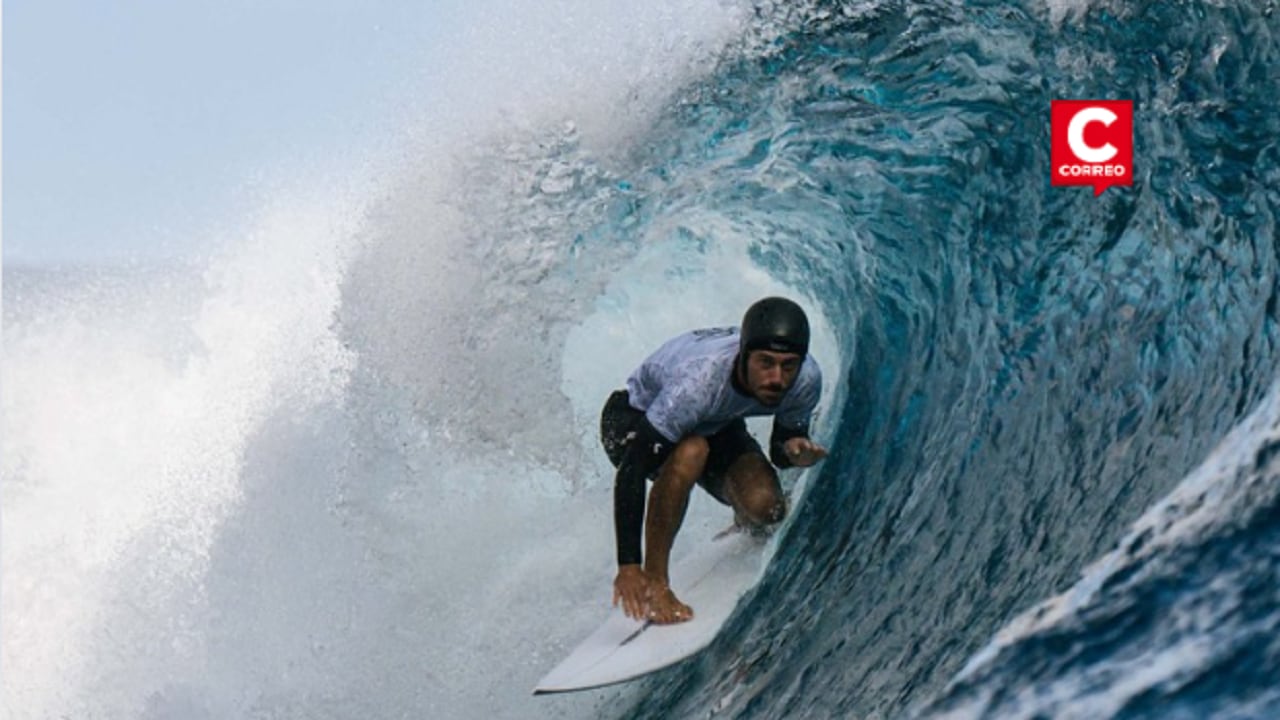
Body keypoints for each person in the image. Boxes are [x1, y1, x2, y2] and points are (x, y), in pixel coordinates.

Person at [599, 296, 827, 625]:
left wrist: (792, 452)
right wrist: (628, 566)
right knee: (692, 451)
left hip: (713, 422)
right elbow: (632, 469)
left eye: (788, 365)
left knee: (767, 510)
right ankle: (656, 583)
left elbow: (780, 450)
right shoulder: (698, 384)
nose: (777, 377)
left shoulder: (805, 380)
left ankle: (743, 516)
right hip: (633, 420)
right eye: (765, 363)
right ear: (744, 355)